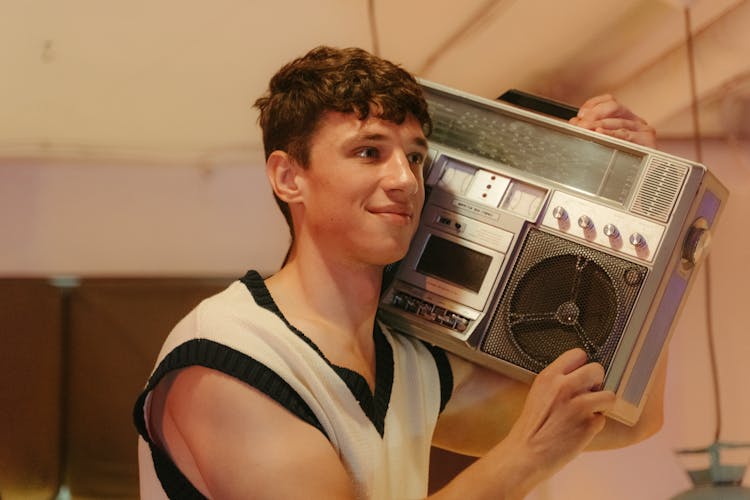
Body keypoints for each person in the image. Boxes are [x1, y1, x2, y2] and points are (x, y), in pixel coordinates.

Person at [133, 45, 663, 499]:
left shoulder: (407, 364)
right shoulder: (229, 358)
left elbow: (630, 418)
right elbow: (541, 443)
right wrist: (528, 454)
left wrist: (652, 218)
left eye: (414, 157)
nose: (405, 181)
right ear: (289, 176)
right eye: (369, 152)